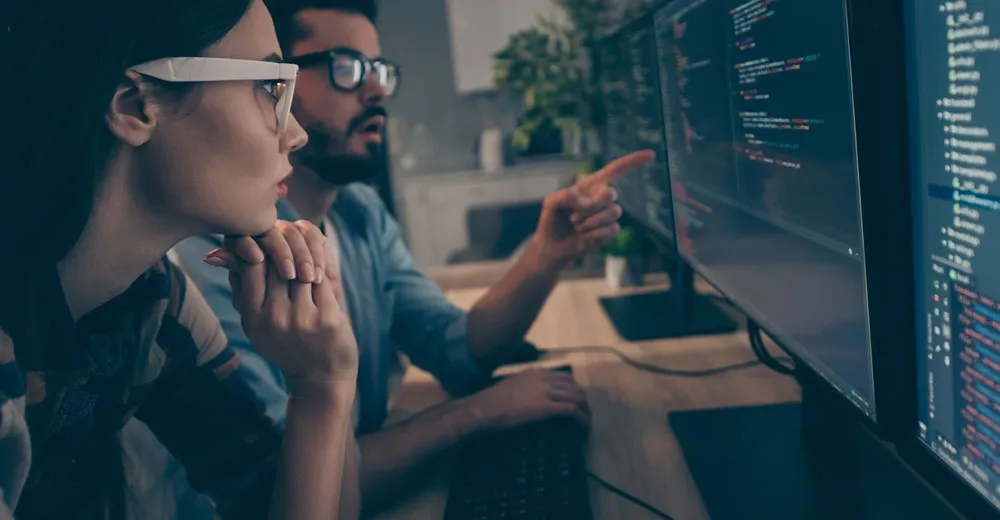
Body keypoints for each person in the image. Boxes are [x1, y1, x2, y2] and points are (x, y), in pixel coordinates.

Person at [173, 0, 654, 512]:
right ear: (277, 86)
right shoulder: (220, 257)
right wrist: (475, 414)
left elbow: (456, 348)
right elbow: (286, 490)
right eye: (347, 67)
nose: (376, 88)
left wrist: (547, 254)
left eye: (378, 70)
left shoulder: (359, 213)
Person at [0, 0, 362, 518]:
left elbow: (284, 504)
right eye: (270, 87)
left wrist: (322, 384)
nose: (296, 134)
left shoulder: (152, 301)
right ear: (134, 105)